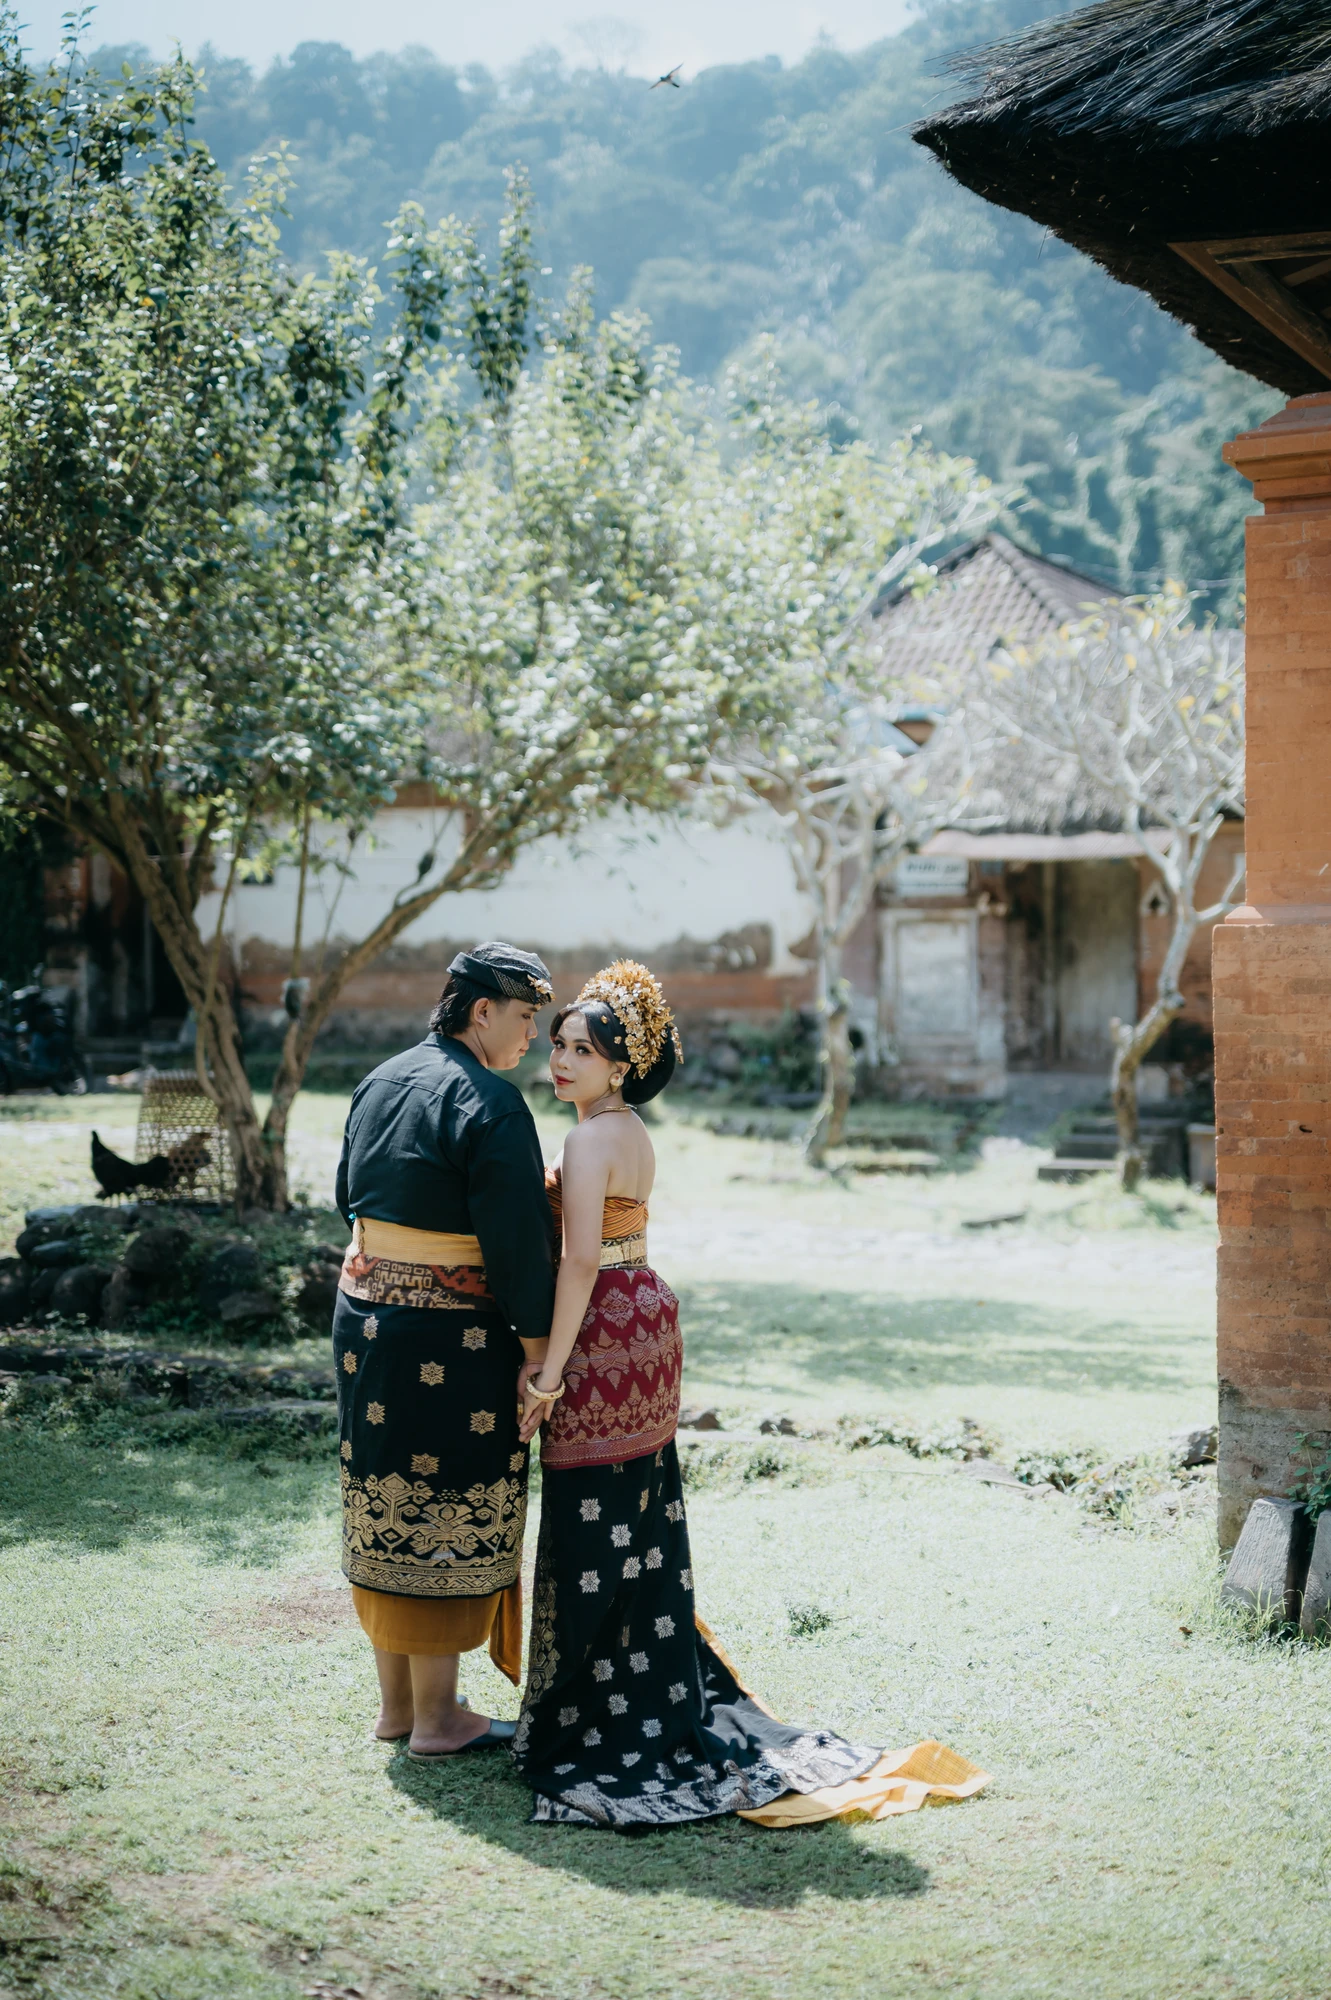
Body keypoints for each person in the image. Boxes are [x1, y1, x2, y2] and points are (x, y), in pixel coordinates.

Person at [511, 960, 881, 1827]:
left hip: (604, 1329)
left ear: (619, 1066)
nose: (560, 1060)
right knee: (638, 1514)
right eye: (558, 1044)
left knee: (589, 1518)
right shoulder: (631, 1132)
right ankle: (634, 1688)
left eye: (582, 1050)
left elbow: (578, 1259)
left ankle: (590, 1716)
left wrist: (549, 1374)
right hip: (647, 1315)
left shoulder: (587, 1141)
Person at [334, 942, 555, 1759]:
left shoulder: (379, 1080)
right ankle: (438, 1720)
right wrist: (537, 1355)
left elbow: (346, 1196)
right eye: (525, 1017)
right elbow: (516, 1248)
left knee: (384, 1496)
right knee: (443, 1504)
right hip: (450, 1336)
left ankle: (398, 1709)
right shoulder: (493, 1105)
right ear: (481, 1011)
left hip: (363, 1320)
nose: (531, 1036)